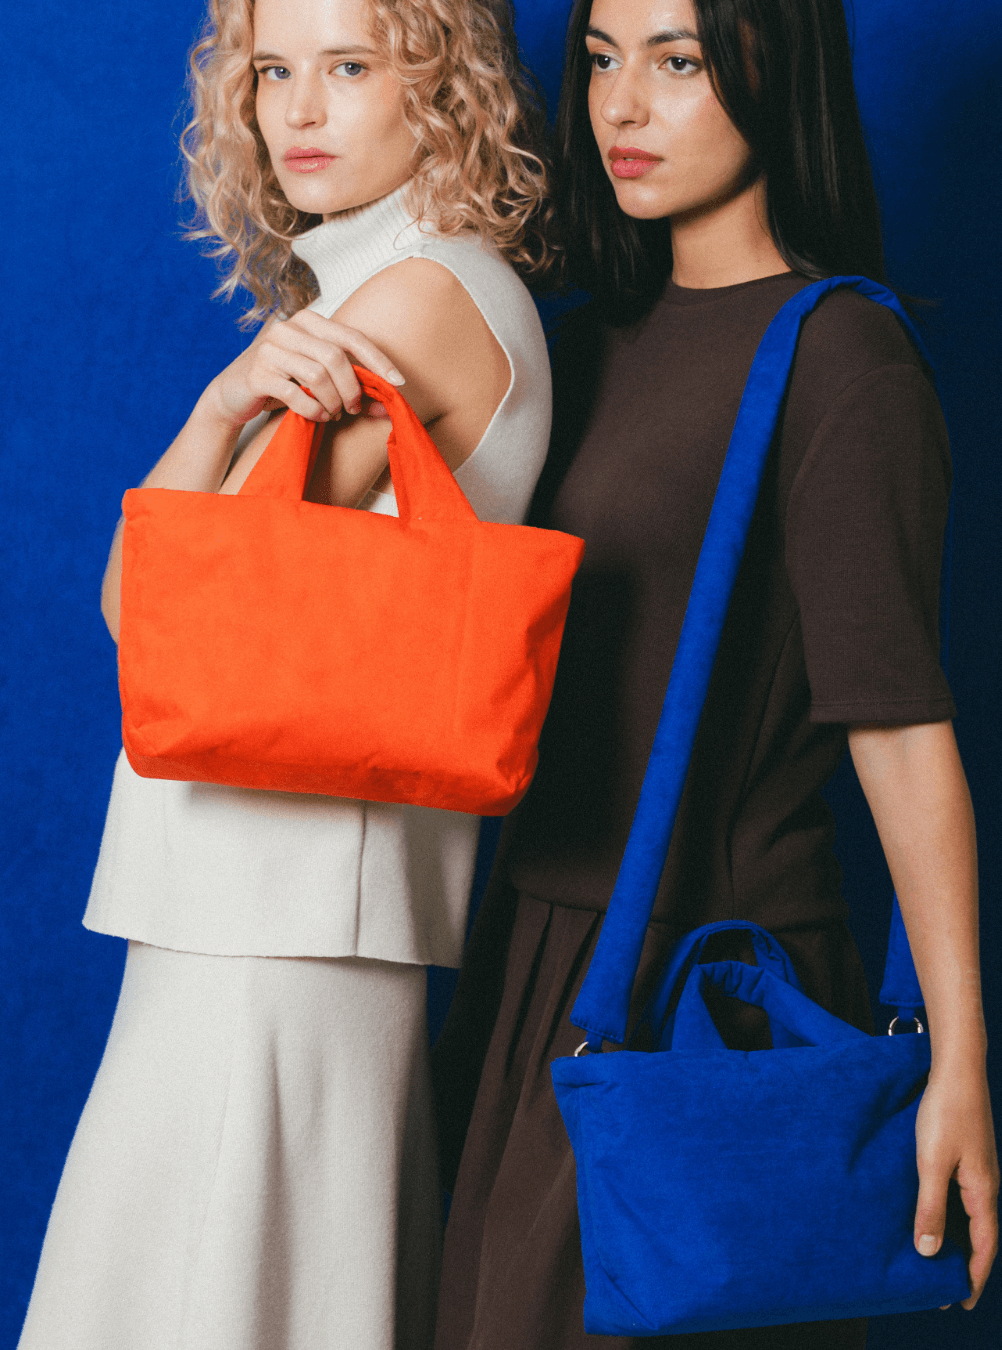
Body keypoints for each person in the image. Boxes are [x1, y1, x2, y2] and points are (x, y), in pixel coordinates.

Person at [431, 1, 1000, 1348]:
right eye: (600, 59)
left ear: (773, 67)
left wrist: (957, 1059)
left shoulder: (841, 358)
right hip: (530, 957)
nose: (620, 106)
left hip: (713, 995)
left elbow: (900, 730)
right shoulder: (570, 344)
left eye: (676, 61)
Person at [17, 2, 553, 1348]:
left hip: (281, 919)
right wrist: (222, 403)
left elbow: (159, 607)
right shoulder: (366, 299)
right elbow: (139, 605)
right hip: (271, 906)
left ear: (441, 88)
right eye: (272, 70)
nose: (298, 110)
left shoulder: (420, 297)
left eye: (349, 67)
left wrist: (223, 409)